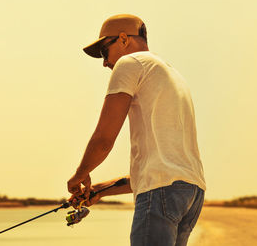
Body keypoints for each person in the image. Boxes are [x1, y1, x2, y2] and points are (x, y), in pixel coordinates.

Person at [67, 14, 206, 246]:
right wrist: (99, 191)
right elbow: (163, 172)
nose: (104, 63)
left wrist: (80, 174)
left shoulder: (130, 63)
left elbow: (103, 139)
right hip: (192, 193)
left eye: (104, 51)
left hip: (162, 195)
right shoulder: (170, 74)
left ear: (123, 39)